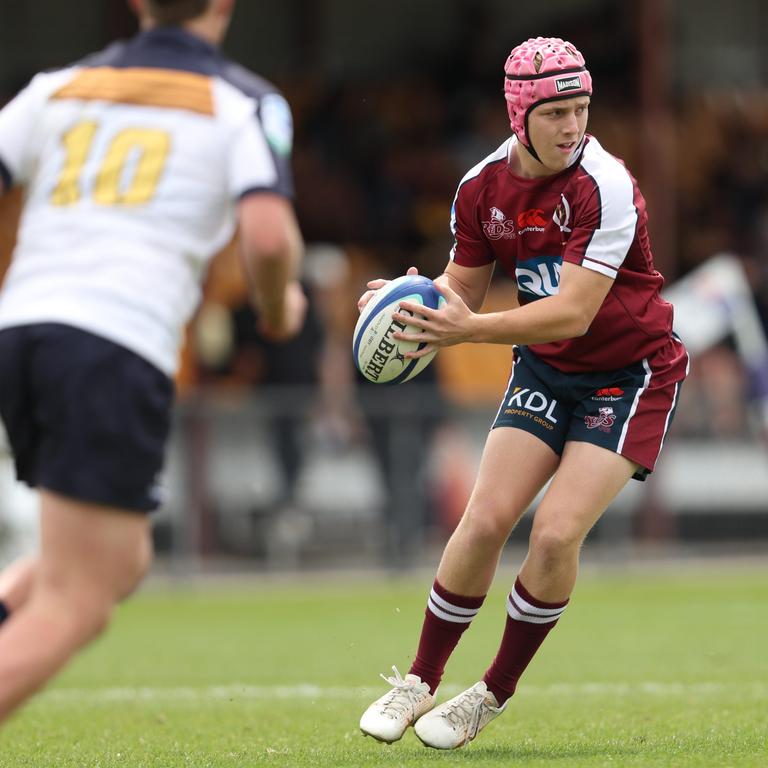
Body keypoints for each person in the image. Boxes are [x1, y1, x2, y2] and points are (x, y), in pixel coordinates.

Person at [359, 37, 688, 750]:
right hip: (545, 369)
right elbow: (461, 289)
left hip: (627, 374)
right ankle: (419, 679)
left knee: (556, 531)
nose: (573, 125)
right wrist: (410, 301)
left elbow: (573, 311)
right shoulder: (480, 187)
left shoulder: (605, 186)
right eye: (557, 112)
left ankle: (492, 692)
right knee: (482, 522)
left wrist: (466, 330)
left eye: (582, 108)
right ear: (520, 115)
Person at [0, 0, 305, 725]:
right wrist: (277, 307)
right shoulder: (243, 101)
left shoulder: (59, 85)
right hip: (111, 340)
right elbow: (266, 240)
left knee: (118, 560)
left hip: (23, 325)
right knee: (79, 603)